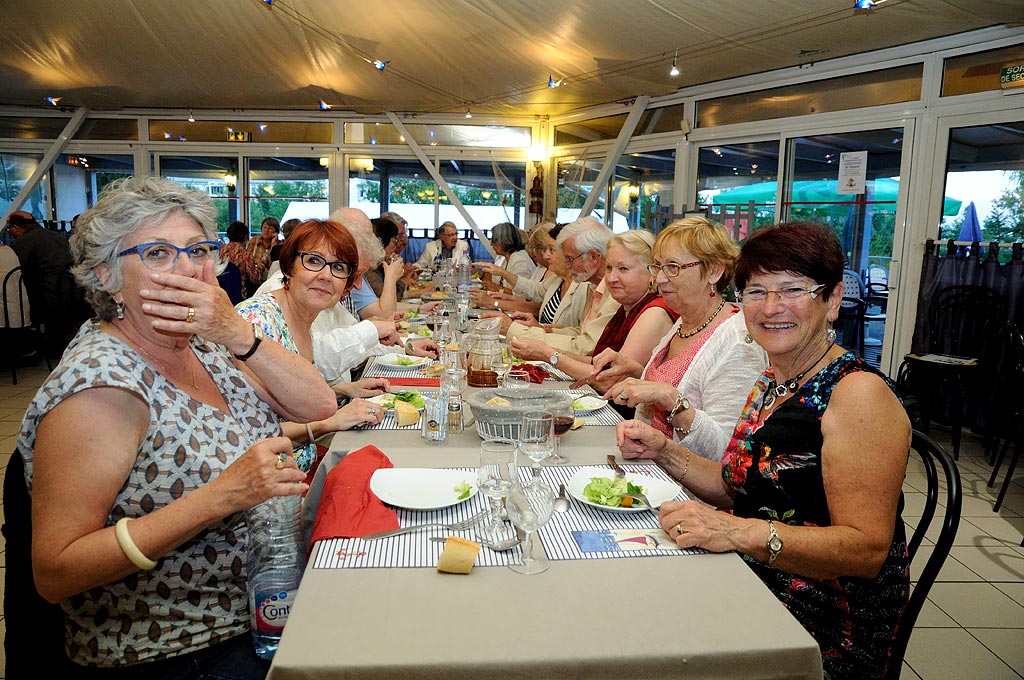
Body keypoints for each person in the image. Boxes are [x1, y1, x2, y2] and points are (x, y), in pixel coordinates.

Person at [18, 176, 337, 675]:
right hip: (179, 645)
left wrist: (234, 329)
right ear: (105, 275)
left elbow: (317, 405)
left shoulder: (201, 345)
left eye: (199, 250)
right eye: (159, 254)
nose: (189, 269)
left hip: (262, 604)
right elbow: (56, 571)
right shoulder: (101, 385)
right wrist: (218, 498)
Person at [616, 221, 911, 680]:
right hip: (752, 572)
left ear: (832, 300)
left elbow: (866, 549)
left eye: (792, 290)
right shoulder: (773, 380)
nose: (772, 308)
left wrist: (738, 533)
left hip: (820, 619)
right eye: (756, 292)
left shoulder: (857, 395)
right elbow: (735, 486)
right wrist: (663, 451)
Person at [598, 218, 767, 461]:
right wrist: (636, 372)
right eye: (658, 267)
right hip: (653, 472)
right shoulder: (685, 320)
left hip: (689, 495)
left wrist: (670, 399)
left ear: (713, 271)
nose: (660, 279)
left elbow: (727, 452)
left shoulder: (738, 342)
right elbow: (680, 377)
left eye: (673, 267)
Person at [236, 218, 388, 471]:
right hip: (267, 486)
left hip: (298, 471)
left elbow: (285, 402)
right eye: (314, 261)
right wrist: (330, 422)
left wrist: (344, 389)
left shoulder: (302, 320)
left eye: (338, 267)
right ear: (289, 267)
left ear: (347, 285)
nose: (326, 276)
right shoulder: (256, 320)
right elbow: (245, 431)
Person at [509, 230, 676, 404]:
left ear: (652, 274)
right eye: (609, 268)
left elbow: (608, 380)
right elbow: (595, 361)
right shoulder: (628, 307)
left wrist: (549, 355)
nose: (611, 278)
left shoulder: (653, 313)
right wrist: (543, 349)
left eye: (623, 269)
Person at [499, 216, 619, 356]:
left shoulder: (615, 293)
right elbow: (580, 332)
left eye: (569, 259)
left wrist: (514, 330)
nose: (567, 265)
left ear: (593, 257)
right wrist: (544, 329)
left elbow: (585, 347)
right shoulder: (592, 286)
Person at [480, 222, 534, 290]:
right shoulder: (504, 258)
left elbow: (521, 295)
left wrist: (497, 288)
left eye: (493, 240)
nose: (491, 243)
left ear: (502, 242)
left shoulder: (521, 262)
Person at [363, 216, 407, 300]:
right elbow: (391, 298)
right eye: (394, 241)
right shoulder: (368, 270)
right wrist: (393, 275)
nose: (397, 245)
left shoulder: (379, 266)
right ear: (382, 241)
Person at [221, 221, 262, 298]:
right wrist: (260, 266)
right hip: (238, 296)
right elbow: (255, 279)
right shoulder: (245, 254)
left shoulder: (219, 251)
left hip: (220, 293)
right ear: (246, 237)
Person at [245, 215, 280, 291]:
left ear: (276, 232)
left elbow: (271, 265)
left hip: (270, 280)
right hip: (253, 278)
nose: (266, 230)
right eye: (264, 227)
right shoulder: (254, 241)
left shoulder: (279, 246)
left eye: (270, 228)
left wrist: (273, 245)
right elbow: (248, 260)